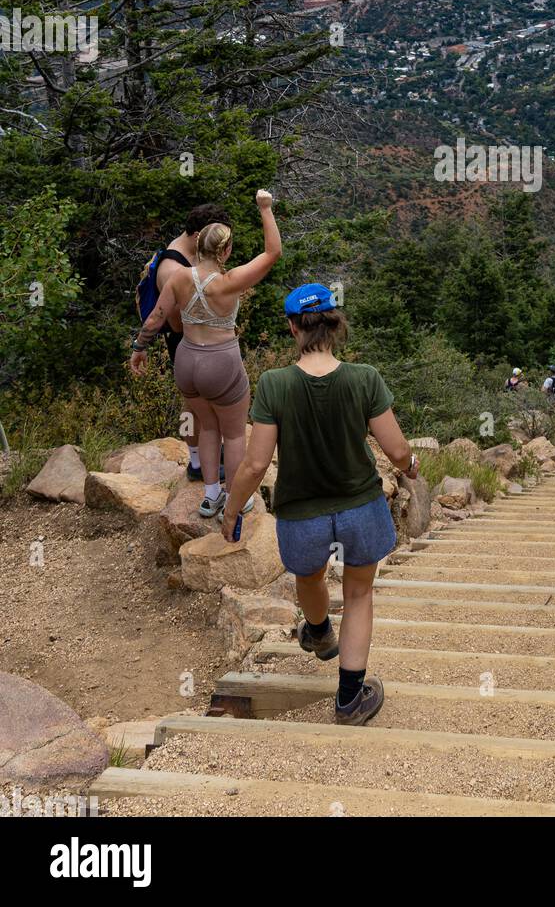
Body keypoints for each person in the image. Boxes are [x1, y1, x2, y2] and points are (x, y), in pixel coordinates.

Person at [221, 283, 419, 727]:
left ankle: (319, 629)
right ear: (336, 325)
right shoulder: (364, 377)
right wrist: (410, 466)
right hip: (361, 507)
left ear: (293, 328)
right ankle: (350, 700)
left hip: (301, 512)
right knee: (359, 593)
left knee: (308, 576)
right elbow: (397, 448)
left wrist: (232, 510)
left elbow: (254, 465)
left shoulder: (274, 384)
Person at [132, 189, 281, 517]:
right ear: (226, 249)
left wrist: (139, 347)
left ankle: (211, 495)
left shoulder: (178, 277)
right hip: (220, 360)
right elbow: (273, 252)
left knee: (207, 426)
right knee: (234, 431)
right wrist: (265, 208)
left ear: (198, 244)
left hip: (186, 360)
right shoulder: (230, 281)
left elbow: (157, 317)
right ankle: (235, 497)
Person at [131, 203, 232, 480]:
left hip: (200, 340)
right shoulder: (173, 268)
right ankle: (196, 463)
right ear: (199, 233)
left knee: (206, 404)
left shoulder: (192, 249)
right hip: (186, 343)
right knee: (194, 406)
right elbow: (173, 321)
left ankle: (210, 450)